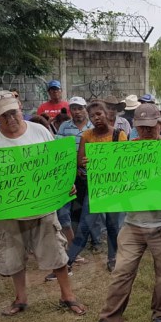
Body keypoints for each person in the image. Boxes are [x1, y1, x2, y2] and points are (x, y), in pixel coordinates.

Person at [0, 90, 86, 317]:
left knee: (56, 251)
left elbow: (56, 166)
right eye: (4, 115)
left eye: (13, 112)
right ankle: (20, 299)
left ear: (20, 107)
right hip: (10, 212)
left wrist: (66, 185)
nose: (10, 118)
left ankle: (68, 295)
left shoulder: (40, 131)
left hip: (43, 207)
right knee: (14, 256)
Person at [87, 103, 161, 322]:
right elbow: (111, 184)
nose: (147, 131)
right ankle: (108, 320)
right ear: (135, 126)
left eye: (151, 127)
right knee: (122, 271)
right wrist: (98, 170)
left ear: (160, 124)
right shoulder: (125, 152)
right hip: (133, 224)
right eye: (142, 127)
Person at [65, 99, 127, 273]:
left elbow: (124, 161)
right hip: (95, 188)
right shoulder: (87, 136)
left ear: (107, 114)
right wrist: (84, 162)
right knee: (85, 224)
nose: (96, 118)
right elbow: (80, 160)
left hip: (114, 188)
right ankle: (69, 260)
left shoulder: (118, 135)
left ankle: (113, 258)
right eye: (92, 116)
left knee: (113, 225)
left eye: (99, 114)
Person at [53, 96, 93, 261]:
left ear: (85, 109)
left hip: (88, 175)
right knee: (70, 211)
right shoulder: (64, 126)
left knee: (86, 210)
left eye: (80, 108)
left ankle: (85, 241)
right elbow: (59, 150)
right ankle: (72, 244)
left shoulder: (92, 128)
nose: (77, 112)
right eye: (73, 109)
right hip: (69, 175)